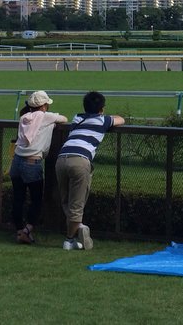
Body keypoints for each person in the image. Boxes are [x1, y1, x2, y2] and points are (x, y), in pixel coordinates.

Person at [55, 91, 124, 250]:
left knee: (66, 200)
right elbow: (121, 119)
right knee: (77, 203)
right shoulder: (102, 120)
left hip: (61, 158)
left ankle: (76, 227)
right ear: (102, 109)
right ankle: (70, 239)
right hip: (80, 161)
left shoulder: (77, 118)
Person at [10, 91, 68, 245]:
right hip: (32, 162)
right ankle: (27, 230)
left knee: (18, 198)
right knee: (36, 200)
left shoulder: (23, 118)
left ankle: (19, 231)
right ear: (44, 105)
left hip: (16, 161)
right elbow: (64, 119)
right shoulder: (45, 116)